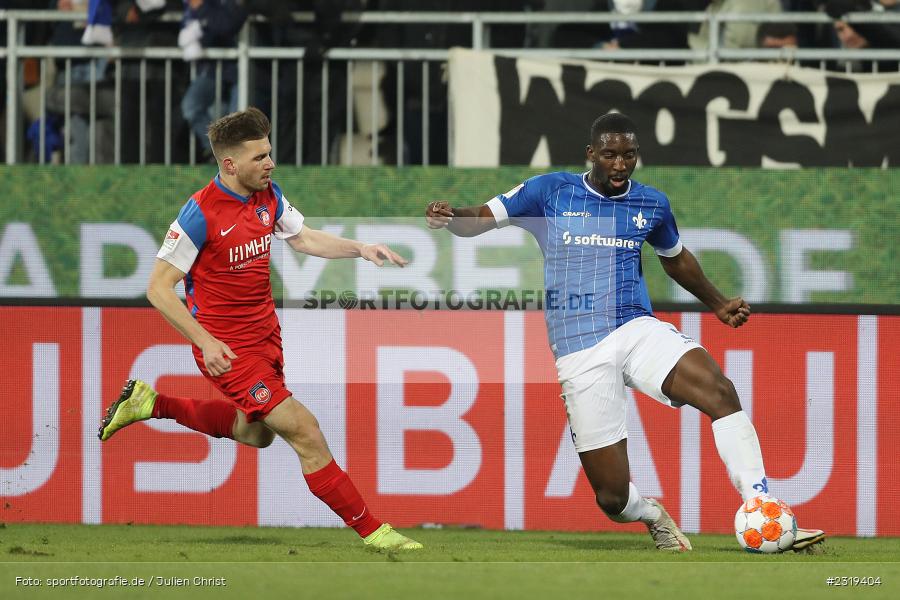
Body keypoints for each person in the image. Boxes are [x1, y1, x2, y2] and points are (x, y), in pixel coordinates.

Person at [424, 112, 826, 552]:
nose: (620, 164)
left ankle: (761, 505)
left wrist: (717, 303)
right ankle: (652, 514)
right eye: (611, 154)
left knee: (719, 389)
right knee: (612, 497)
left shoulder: (651, 204)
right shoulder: (550, 191)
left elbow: (675, 258)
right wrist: (451, 216)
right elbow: (479, 218)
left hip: (634, 326)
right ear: (591, 154)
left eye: (629, 155)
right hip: (579, 347)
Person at [99, 106, 423, 552]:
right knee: (304, 430)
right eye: (259, 157)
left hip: (266, 337)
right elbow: (158, 288)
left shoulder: (268, 196)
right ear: (229, 164)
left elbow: (304, 238)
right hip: (227, 350)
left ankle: (151, 403)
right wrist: (205, 341)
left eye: (269, 154)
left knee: (257, 434)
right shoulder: (200, 213)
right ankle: (376, 533)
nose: (269, 163)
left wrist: (360, 248)